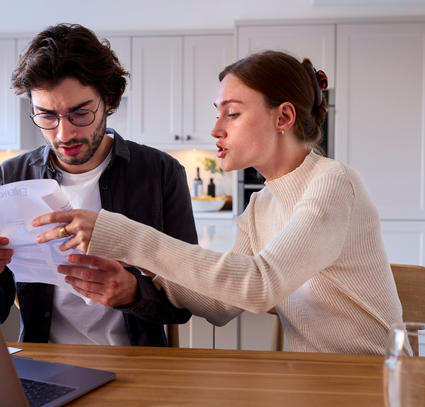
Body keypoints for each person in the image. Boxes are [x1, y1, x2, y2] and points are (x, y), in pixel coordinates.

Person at [32, 50, 406, 354]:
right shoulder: (262, 205)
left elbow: (259, 287)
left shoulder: (333, 183)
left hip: (375, 380)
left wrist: (124, 235)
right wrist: (137, 267)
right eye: (218, 112)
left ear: (284, 117)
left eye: (233, 113)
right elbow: (221, 306)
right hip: (315, 382)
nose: (216, 129)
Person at [0, 23, 196, 347]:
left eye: (80, 113)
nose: (64, 135)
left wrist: (133, 292)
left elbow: (185, 303)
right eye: (47, 116)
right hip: (45, 361)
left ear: (109, 99)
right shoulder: (10, 177)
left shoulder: (161, 174)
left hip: (140, 365)